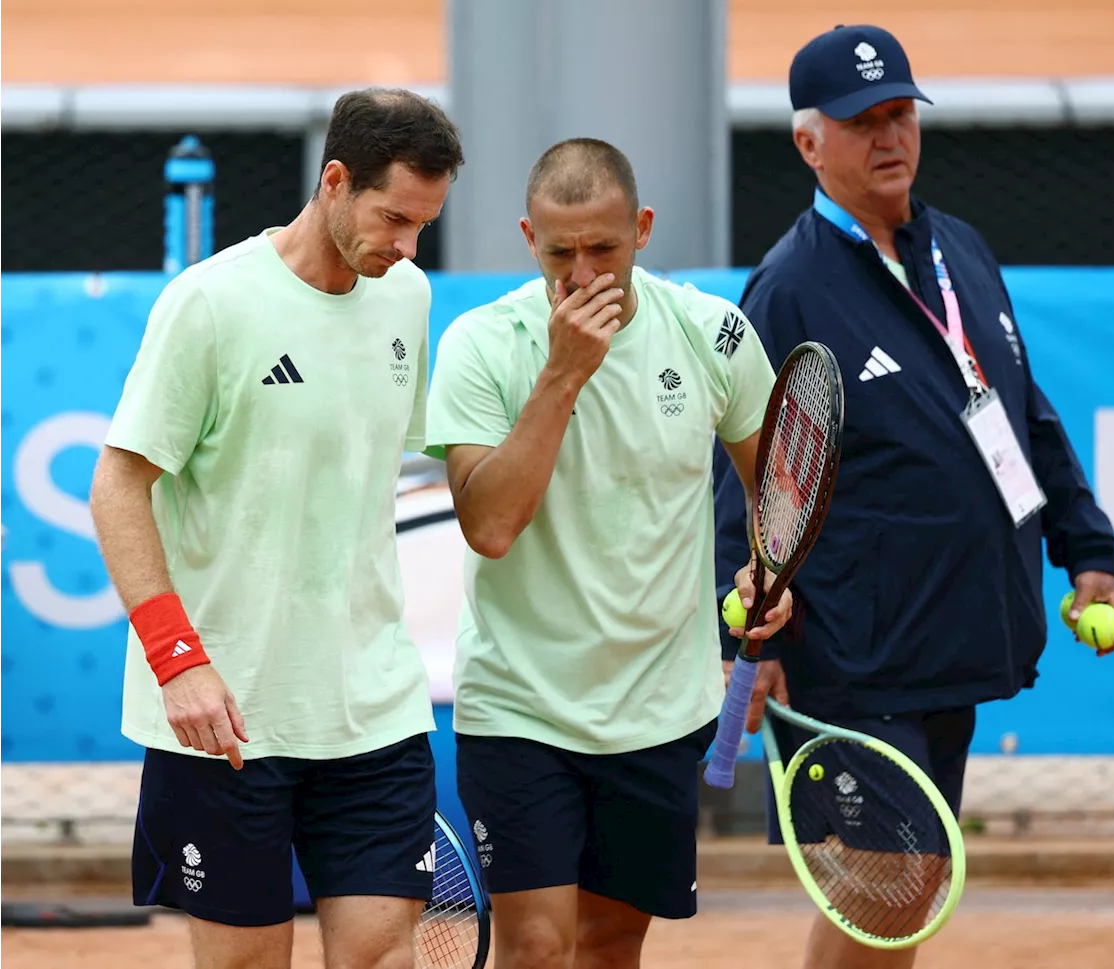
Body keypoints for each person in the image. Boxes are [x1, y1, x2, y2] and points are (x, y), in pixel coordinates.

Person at [711, 24, 1114, 969]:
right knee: (887, 886)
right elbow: (747, 471)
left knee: (911, 885)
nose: (889, 135)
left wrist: (1091, 552)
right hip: (854, 650)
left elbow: (1024, 416)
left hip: (954, 632)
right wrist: (743, 634)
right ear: (808, 143)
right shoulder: (787, 289)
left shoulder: (962, 251)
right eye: (862, 121)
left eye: (901, 113)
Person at [89, 88, 464, 969]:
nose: (408, 247)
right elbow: (118, 485)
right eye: (393, 218)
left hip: (373, 710)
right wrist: (178, 659)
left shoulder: (404, 296)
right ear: (335, 180)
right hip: (224, 720)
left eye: (425, 225)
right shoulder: (210, 304)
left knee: (381, 958)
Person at [422, 137, 791, 969]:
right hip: (520, 704)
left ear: (644, 229)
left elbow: (777, 483)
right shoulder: (483, 345)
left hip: (659, 707)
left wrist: (767, 566)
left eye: (604, 249)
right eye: (561, 253)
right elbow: (489, 526)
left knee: (612, 944)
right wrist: (563, 375)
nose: (583, 275)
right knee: (537, 949)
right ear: (528, 238)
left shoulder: (712, 334)